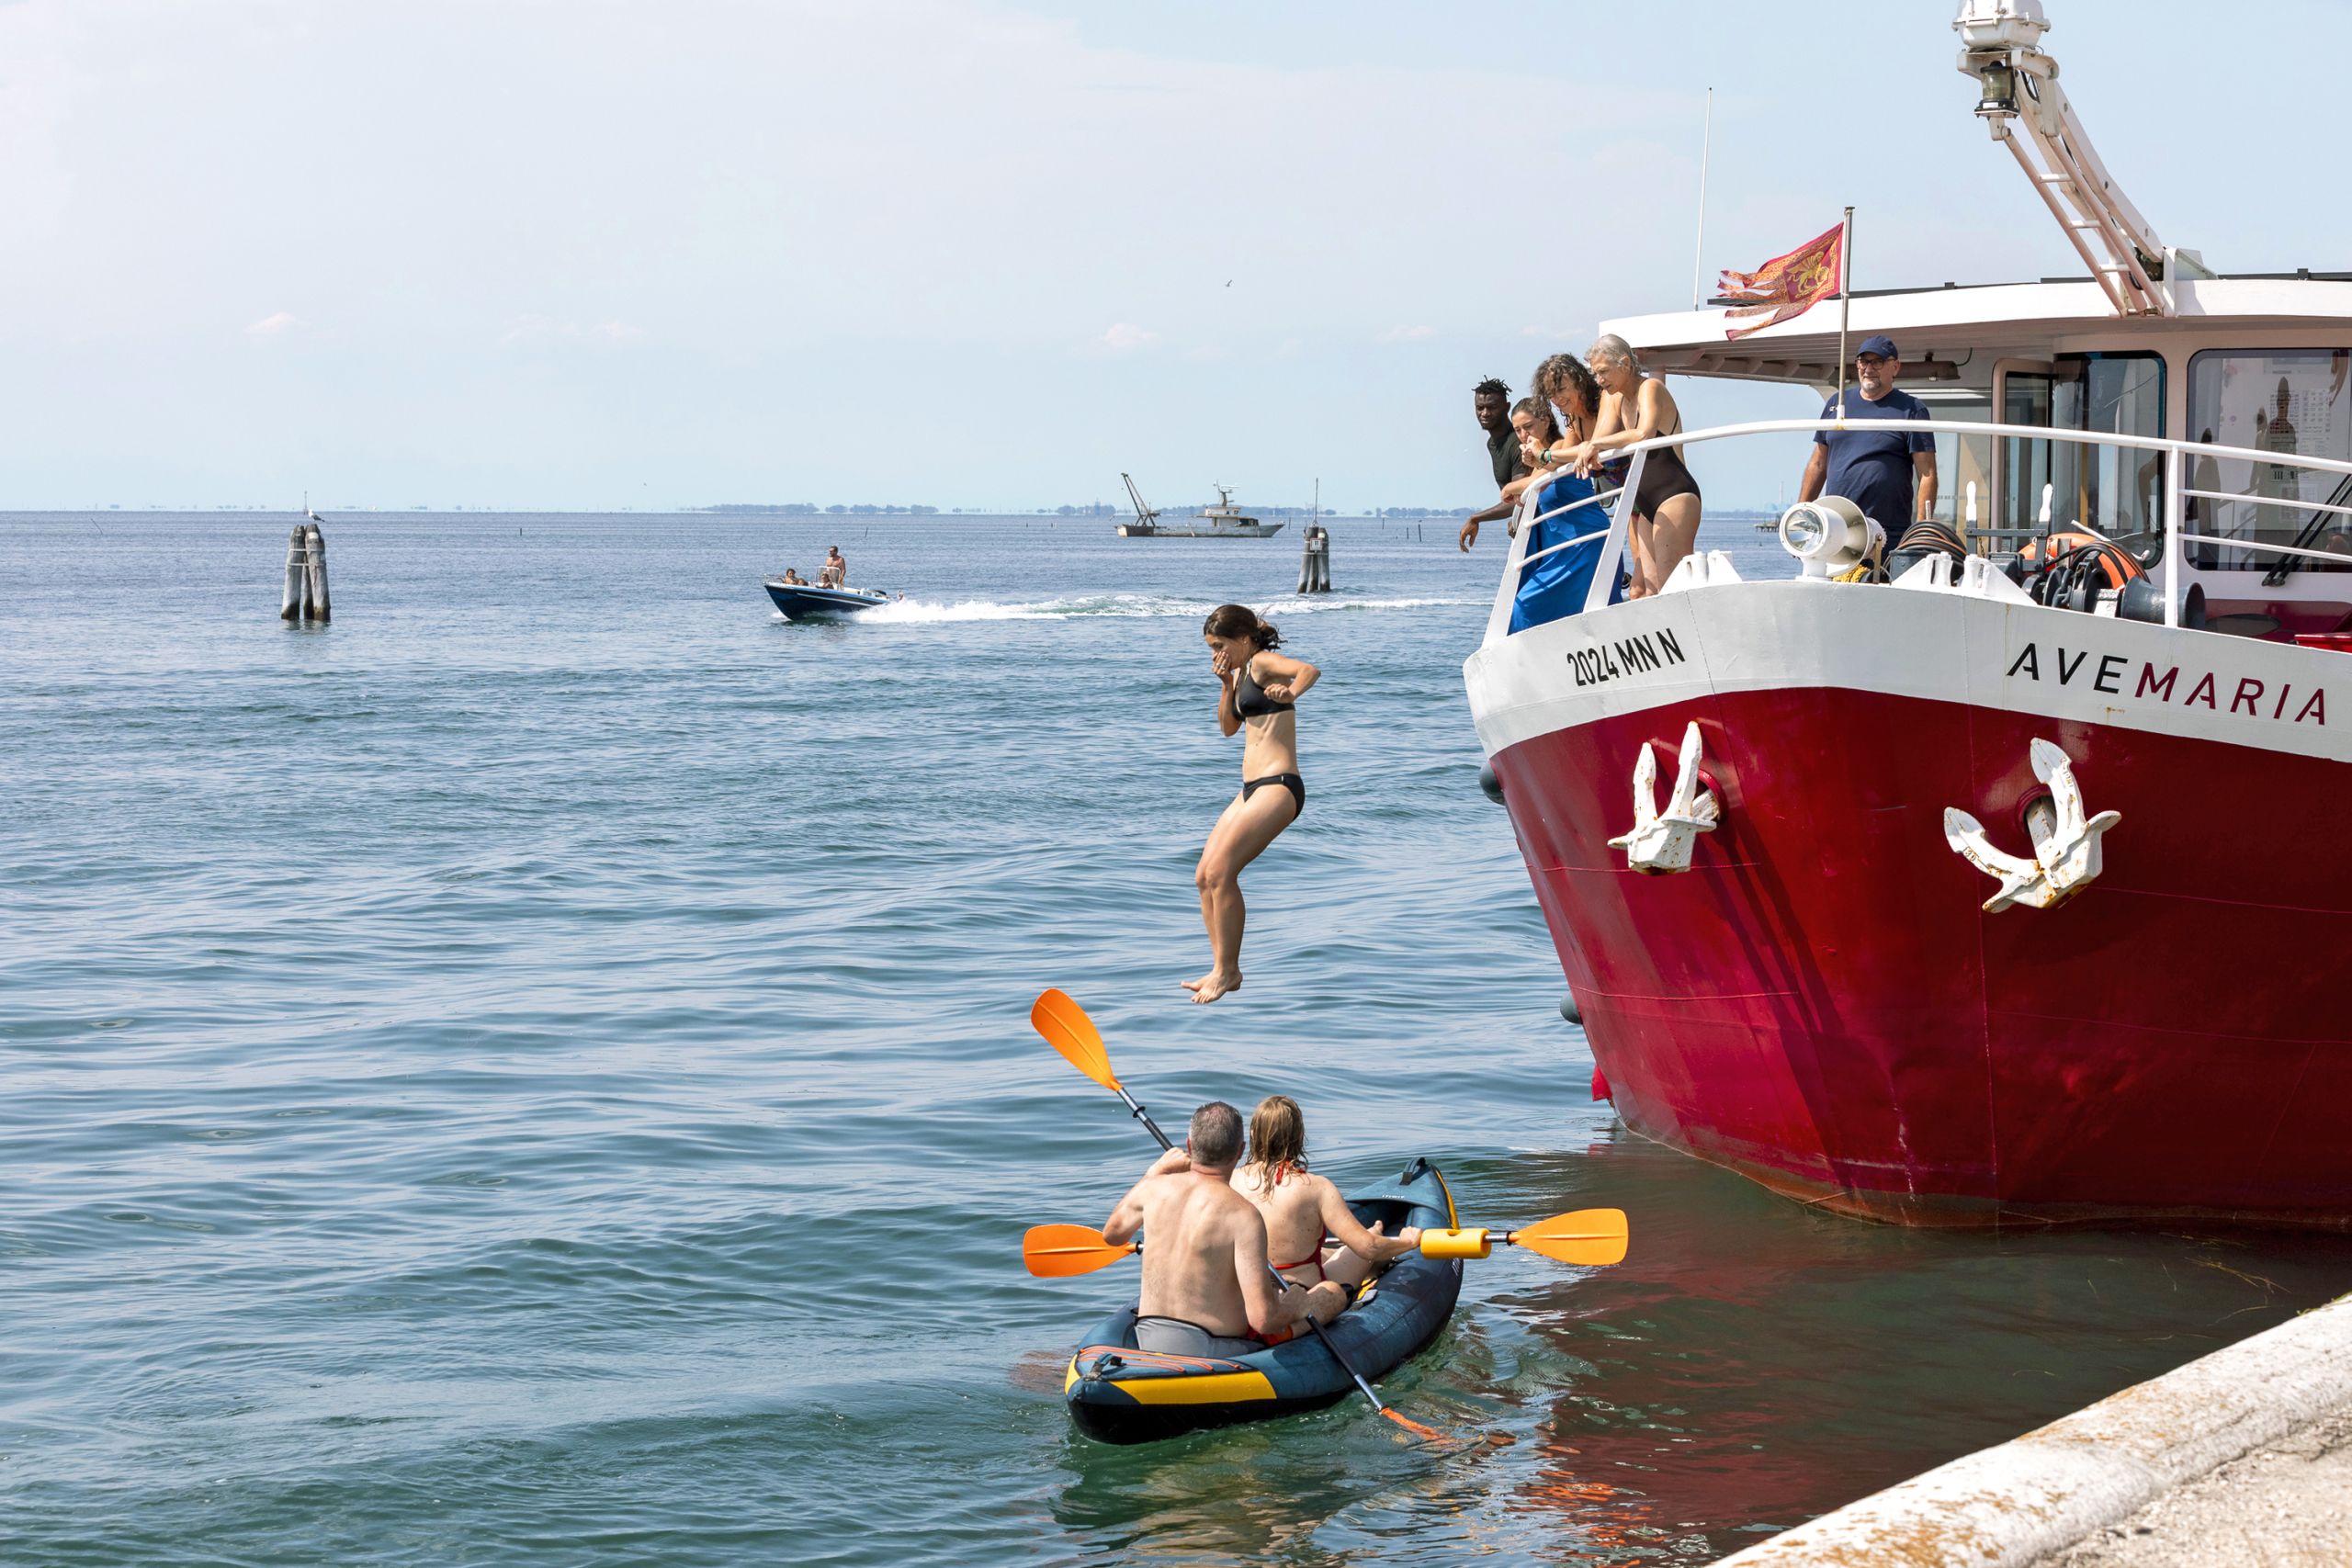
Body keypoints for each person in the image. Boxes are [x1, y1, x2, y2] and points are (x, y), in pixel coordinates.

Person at [1101, 1101, 1346, 1356]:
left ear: (1189, 1145)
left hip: (1147, 1337)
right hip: (1211, 1349)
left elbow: (1113, 1235)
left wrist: (1153, 1172)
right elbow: (1263, 1319)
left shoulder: (1153, 1188)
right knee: (1332, 1293)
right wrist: (1296, 1305)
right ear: (1240, 1151)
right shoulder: (1244, 1216)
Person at [1187, 604, 1318, 1005]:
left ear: (1243, 640)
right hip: (1250, 787)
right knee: (1204, 875)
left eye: (1220, 646)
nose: (1216, 654)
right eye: (1211, 648)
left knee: (1223, 872)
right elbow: (1229, 729)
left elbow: (1308, 670)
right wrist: (1226, 683)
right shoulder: (1242, 672)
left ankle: (1229, 970)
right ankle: (1219, 967)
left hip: (1278, 786)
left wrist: (1290, 691)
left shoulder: (1261, 662)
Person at [1563, 334, 1702, 596]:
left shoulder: (1650, 388)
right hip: (1644, 501)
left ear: (1625, 363)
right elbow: (1598, 441)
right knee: (1647, 592)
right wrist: (1546, 457)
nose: (1599, 380)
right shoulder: (1615, 398)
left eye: (1603, 371)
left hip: (1674, 495)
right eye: (1595, 374)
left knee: (1671, 587)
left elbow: (1643, 433)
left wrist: (1594, 445)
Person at [1238, 1096, 1422, 1292]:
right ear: (1299, 1136)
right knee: (1371, 1238)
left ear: (1252, 1133)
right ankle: (1375, 1255)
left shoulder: (1230, 1182)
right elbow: (1368, 1248)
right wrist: (1408, 1241)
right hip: (1302, 1292)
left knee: (1325, 1252)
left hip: (1248, 1294)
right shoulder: (1317, 1188)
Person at [1508, 355, 1625, 631]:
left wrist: (1543, 457)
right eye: (1551, 394)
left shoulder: (1605, 406)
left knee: (1528, 606)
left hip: (1587, 537)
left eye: (1561, 389)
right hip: (1571, 542)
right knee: (1538, 610)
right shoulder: (1573, 420)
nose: (1558, 399)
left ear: (1579, 381)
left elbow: (1586, 448)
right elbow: (1557, 461)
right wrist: (1537, 457)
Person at [1798, 334, 1938, 545]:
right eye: (1863, 362)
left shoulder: (1912, 409)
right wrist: (1800, 515)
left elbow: (1927, 474)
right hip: (1837, 528)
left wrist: (1920, 532)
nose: (1869, 368)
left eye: (1878, 362)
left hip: (1888, 533)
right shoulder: (1837, 403)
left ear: (1895, 367)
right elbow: (1818, 463)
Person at [1458, 377, 1530, 552]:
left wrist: (1476, 518)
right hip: (1526, 525)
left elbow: (1520, 498)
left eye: (1492, 407)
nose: (1484, 413)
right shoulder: (1492, 443)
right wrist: (1514, 519)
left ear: (1506, 407)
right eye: (1479, 408)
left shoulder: (1516, 442)